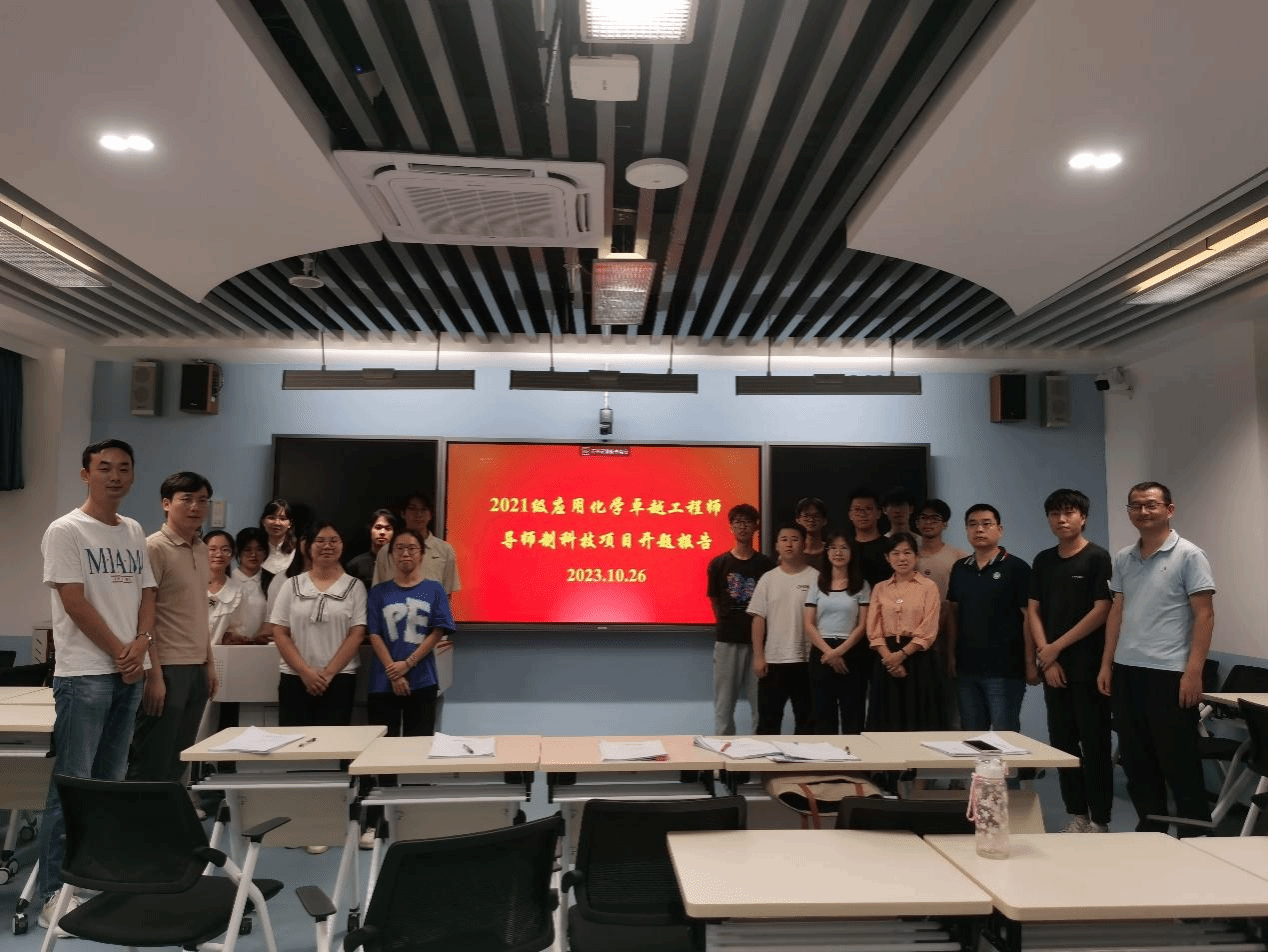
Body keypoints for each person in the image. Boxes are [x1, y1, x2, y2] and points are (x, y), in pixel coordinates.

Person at [36, 439, 156, 934]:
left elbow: (147, 594)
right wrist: (120, 651)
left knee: (110, 785)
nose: (115, 476)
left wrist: (141, 644)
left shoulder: (133, 530)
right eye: (104, 467)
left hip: (128, 673)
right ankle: (53, 894)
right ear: (86, 474)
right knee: (73, 785)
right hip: (85, 673)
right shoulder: (65, 530)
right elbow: (74, 601)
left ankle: (98, 880)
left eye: (124, 468)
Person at [1098, 482, 1215, 833]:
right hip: (1127, 672)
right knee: (1137, 763)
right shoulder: (1124, 557)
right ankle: (1151, 832)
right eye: (1135, 506)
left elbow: (1204, 615)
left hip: (1170, 674)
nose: (1143, 511)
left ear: (1169, 509)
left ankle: (1195, 837)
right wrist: (1107, 664)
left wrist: (1193, 672)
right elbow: (1117, 611)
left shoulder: (1189, 555)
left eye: (1151, 504)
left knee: (1179, 764)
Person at [1028, 489, 1114, 833]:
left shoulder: (1097, 558)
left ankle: (1101, 820)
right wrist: (1047, 658)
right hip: (1054, 670)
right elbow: (1033, 610)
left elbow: (1102, 609)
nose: (1061, 520)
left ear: (1083, 517)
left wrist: (1055, 648)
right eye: (1055, 514)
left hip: (1089, 669)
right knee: (1062, 745)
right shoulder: (1043, 560)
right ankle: (1077, 815)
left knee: (1094, 744)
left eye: (1069, 513)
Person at [127, 472, 218, 784]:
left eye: (202, 500)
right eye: (186, 499)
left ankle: (166, 815)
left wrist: (209, 663)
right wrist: (154, 675)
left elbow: (199, 611)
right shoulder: (153, 548)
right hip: (166, 666)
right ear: (166, 504)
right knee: (151, 758)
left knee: (179, 758)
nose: (195, 507)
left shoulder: (202, 549)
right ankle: (139, 816)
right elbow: (144, 613)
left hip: (196, 667)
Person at [946, 504, 1037, 732]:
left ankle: (1019, 762)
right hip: (967, 669)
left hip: (1005, 669)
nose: (979, 529)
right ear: (966, 530)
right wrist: (951, 655)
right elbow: (953, 614)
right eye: (972, 524)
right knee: (972, 736)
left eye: (986, 524)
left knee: (1005, 735)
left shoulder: (1017, 567)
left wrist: (1030, 663)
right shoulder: (960, 568)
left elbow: (1029, 618)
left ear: (1000, 529)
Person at [271, 521, 367, 728]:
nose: (327, 546)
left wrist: (328, 674)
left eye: (334, 541)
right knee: (293, 742)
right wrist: (305, 672)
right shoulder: (291, 585)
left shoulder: (355, 587)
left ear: (342, 545)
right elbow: (279, 632)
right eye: (320, 541)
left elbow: (357, 634)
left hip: (339, 678)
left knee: (334, 743)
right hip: (295, 677)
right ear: (308, 547)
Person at [366, 527, 456, 737]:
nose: (405, 553)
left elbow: (437, 631)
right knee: (382, 746)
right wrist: (394, 672)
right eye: (399, 548)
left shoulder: (435, 589)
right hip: (383, 680)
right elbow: (374, 634)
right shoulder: (378, 592)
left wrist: (408, 664)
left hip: (422, 678)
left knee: (419, 744)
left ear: (422, 554)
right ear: (391, 554)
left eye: (412, 548)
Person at [706, 503, 775, 735]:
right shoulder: (719, 564)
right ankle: (723, 754)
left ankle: (760, 753)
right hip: (727, 641)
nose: (743, 527)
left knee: (761, 705)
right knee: (724, 706)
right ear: (731, 527)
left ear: (756, 527)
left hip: (759, 645)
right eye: (738, 522)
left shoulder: (767, 565)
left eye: (748, 522)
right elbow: (715, 600)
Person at [866, 532, 943, 730]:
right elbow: (874, 629)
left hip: (918, 659)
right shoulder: (880, 588)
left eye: (907, 552)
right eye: (896, 553)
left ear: (916, 556)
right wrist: (890, 660)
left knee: (918, 720)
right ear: (887, 557)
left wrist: (901, 655)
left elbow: (928, 629)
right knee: (887, 720)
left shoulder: (928, 587)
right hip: (886, 658)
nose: (902, 558)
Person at [748, 523, 818, 734]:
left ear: (804, 544)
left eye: (795, 539)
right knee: (768, 723)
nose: (789, 544)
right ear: (777, 545)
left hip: (807, 660)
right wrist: (758, 656)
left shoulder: (816, 578)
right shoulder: (768, 579)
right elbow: (758, 618)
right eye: (784, 539)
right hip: (773, 661)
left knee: (807, 722)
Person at [803, 531, 870, 733]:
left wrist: (839, 652)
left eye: (843, 548)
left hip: (851, 651)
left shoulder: (862, 585)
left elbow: (862, 625)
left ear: (852, 553)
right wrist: (829, 653)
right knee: (823, 715)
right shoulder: (817, 584)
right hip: (821, 652)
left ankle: (854, 755)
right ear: (827, 552)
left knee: (853, 714)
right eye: (833, 548)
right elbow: (808, 624)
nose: (838, 552)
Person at [915, 498, 968, 727]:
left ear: (945, 524)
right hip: (914, 637)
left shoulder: (959, 556)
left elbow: (959, 601)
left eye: (935, 518)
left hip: (948, 633)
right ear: (916, 523)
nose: (928, 523)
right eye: (923, 518)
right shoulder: (909, 555)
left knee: (949, 696)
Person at [372, 491, 460, 594]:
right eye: (412, 509)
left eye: (424, 509)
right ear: (403, 513)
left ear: (430, 515)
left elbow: (447, 593)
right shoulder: (386, 551)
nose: (418, 514)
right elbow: (378, 593)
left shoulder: (445, 550)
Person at [231, 526, 271, 644]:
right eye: (247, 549)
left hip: (262, 647)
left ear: (265, 552)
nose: (253, 554)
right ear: (238, 552)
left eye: (259, 549)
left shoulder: (272, 581)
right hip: (230, 645)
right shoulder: (228, 580)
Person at [846, 488, 889, 588]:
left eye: (868, 509)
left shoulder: (891, 547)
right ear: (850, 515)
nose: (862, 514)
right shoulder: (845, 548)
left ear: (879, 513)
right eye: (857, 509)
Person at [348, 509, 397, 591]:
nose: (382, 532)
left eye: (388, 528)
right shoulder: (355, 565)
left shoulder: (400, 563)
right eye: (378, 528)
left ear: (394, 532)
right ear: (370, 529)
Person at [259, 498, 297, 576]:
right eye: (271, 518)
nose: (277, 523)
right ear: (263, 521)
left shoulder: (298, 552)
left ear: (290, 524)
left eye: (282, 519)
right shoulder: (255, 550)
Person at [794, 496, 828, 568]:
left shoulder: (831, 551)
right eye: (806, 516)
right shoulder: (793, 552)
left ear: (824, 521)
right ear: (798, 520)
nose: (811, 520)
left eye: (816, 516)